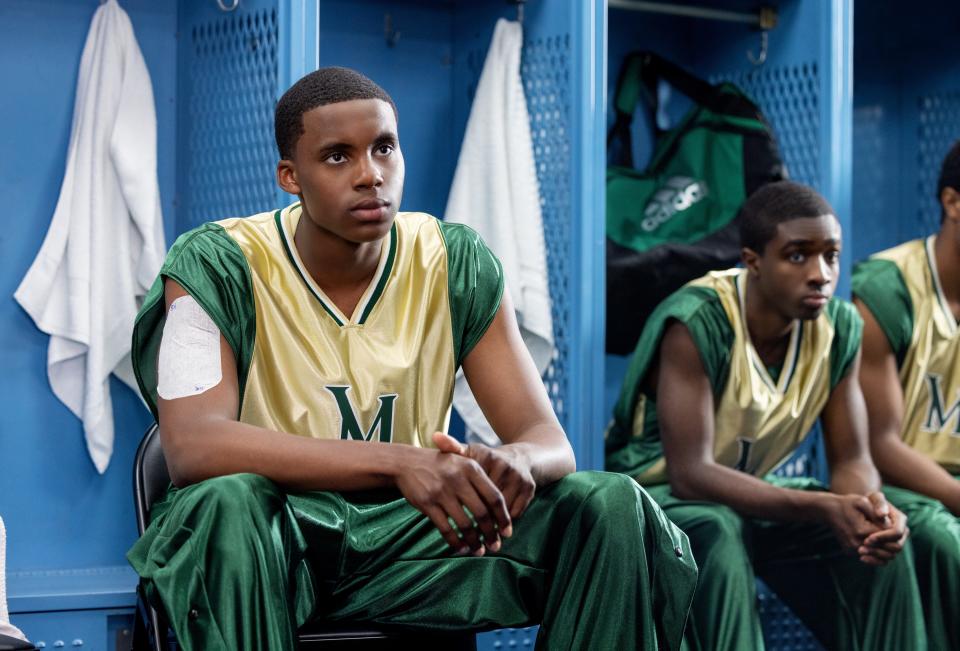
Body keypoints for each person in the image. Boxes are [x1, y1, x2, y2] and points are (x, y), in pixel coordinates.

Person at [127, 66, 697, 650]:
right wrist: (400, 461)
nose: (370, 175)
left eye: (384, 148)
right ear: (289, 176)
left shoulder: (455, 260)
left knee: (608, 503)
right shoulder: (215, 262)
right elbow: (193, 448)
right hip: (279, 540)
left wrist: (515, 461)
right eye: (337, 157)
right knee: (225, 504)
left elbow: (552, 444)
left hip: (416, 541)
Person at [606, 180, 925, 650]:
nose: (821, 274)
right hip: (653, 498)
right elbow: (689, 476)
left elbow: (852, 460)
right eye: (798, 255)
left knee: (881, 541)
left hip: (747, 494)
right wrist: (825, 506)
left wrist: (867, 508)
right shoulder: (698, 320)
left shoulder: (838, 328)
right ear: (752, 261)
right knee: (718, 528)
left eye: (831, 256)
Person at [852, 140, 960, 650]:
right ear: (952, 203)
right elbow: (881, 444)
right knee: (944, 539)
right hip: (906, 486)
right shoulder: (888, 287)